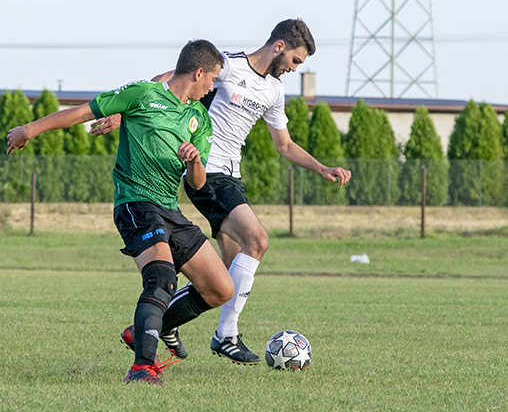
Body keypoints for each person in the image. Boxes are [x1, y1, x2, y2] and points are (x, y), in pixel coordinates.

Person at [92, 19, 352, 364]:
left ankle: (162, 324)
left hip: (232, 176)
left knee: (226, 274)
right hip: (205, 169)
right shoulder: (229, 65)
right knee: (257, 240)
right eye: (295, 61)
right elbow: (167, 85)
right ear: (279, 46)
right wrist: (124, 115)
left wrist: (321, 167)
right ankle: (225, 336)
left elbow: (284, 145)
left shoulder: (274, 92)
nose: (293, 69)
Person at [7, 40, 234, 384]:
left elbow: (198, 184)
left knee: (221, 288)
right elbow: (84, 112)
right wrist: (29, 130)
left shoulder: (199, 119)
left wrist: (195, 161)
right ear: (198, 72)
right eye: (213, 79)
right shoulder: (143, 94)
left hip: (169, 209)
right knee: (161, 278)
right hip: (136, 203)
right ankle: (142, 367)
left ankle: (144, 328)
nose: (212, 88)